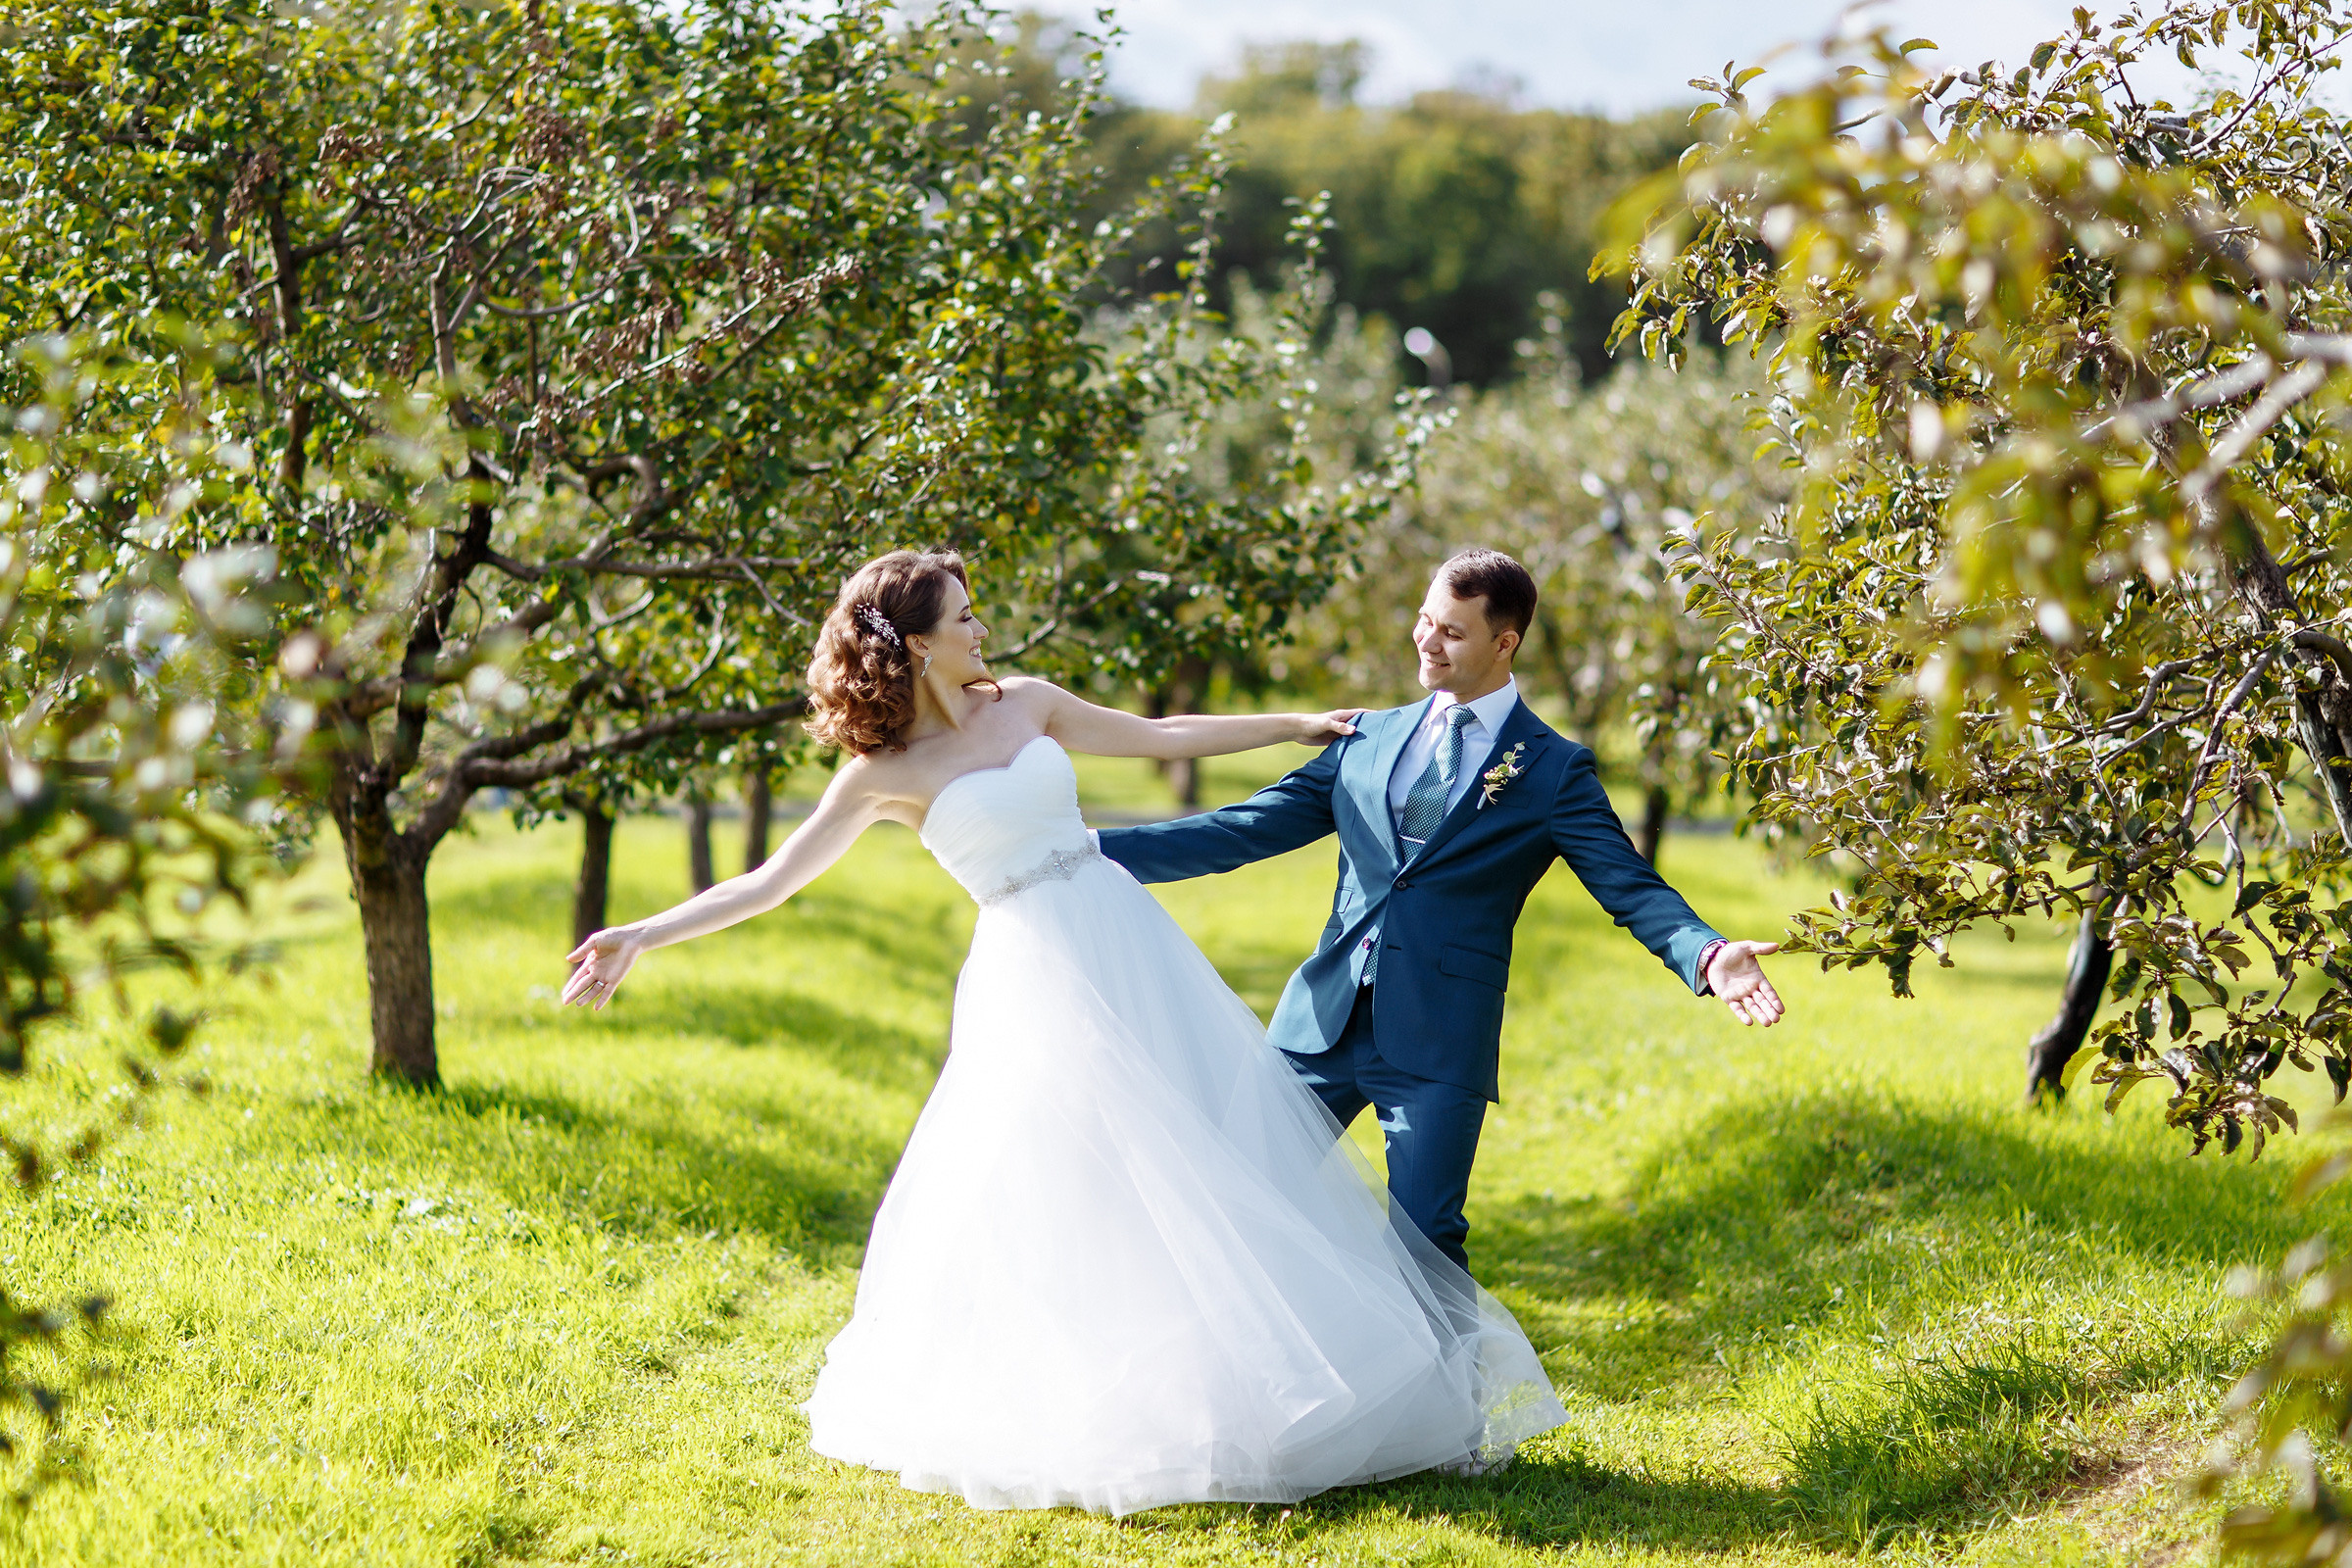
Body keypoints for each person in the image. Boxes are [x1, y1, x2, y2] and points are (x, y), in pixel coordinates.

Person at [561, 548, 1568, 1517]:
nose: (980, 625)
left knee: (1197, 1161)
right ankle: (1098, 1397)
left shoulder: (1030, 701)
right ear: (914, 644)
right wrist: (640, 934)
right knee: (1064, 1181)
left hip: (1124, 941)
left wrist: (1294, 723)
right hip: (1029, 974)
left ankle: (1244, 1378)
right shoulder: (882, 771)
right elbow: (769, 882)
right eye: (962, 616)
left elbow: (1163, 734)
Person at [1096, 548, 1785, 1276]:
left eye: (1452, 632)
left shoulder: (1553, 770)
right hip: (1320, 1020)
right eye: (1425, 622)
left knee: (1426, 1244)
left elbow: (1628, 885)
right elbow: (1241, 828)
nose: (1427, 642)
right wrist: (1089, 851)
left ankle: (1444, 1394)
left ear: (1504, 642)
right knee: (1231, 1196)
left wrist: (1707, 953)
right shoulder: (1365, 738)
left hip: (1438, 1039)